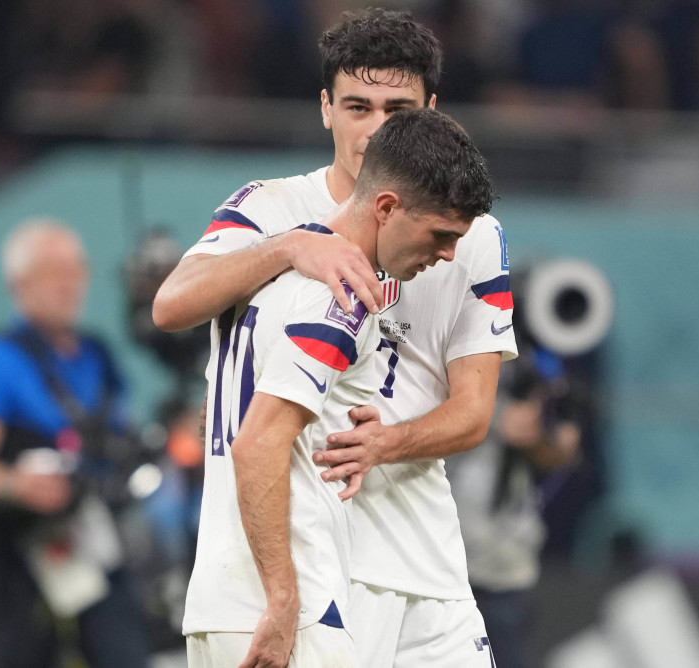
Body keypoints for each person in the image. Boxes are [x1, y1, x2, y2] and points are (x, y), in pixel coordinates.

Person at [154, 9, 517, 667]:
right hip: (306, 547)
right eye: (357, 105)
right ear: (325, 108)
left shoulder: (470, 235)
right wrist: (289, 248)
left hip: (419, 552)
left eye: (397, 109)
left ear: (432, 111)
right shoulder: (269, 209)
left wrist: (385, 444)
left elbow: (474, 411)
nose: (375, 128)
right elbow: (172, 304)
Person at [0, 219, 150, 668]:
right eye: (53, 270)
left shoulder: (98, 354)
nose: (69, 282)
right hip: (23, 551)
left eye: (76, 269)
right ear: (19, 284)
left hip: (97, 537)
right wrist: (16, 485)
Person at [449, 344, 582, 668]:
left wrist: (552, 439)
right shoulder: (457, 345)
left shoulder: (539, 362)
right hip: (452, 561)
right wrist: (495, 417)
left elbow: (550, 453)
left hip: (505, 570)